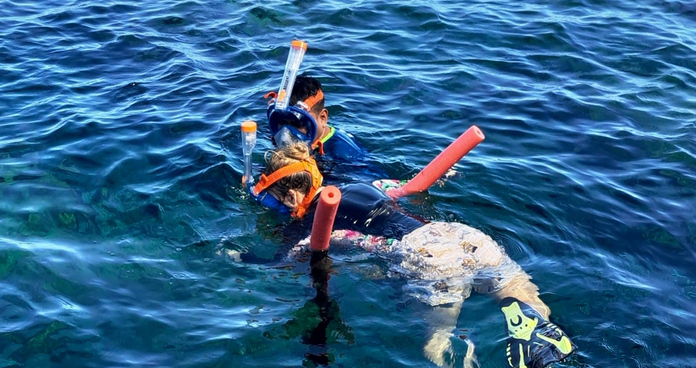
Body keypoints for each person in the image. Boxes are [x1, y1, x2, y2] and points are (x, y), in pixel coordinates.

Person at [246, 142, 576, 368]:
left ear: (291, 195)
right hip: (458, 234)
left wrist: (241, 258)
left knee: (437, 343)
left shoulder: (313, 222)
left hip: (425, 257)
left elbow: (290, 258)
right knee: (515, 290)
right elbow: (409, 186)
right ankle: (538, 335)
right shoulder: (364, 185)